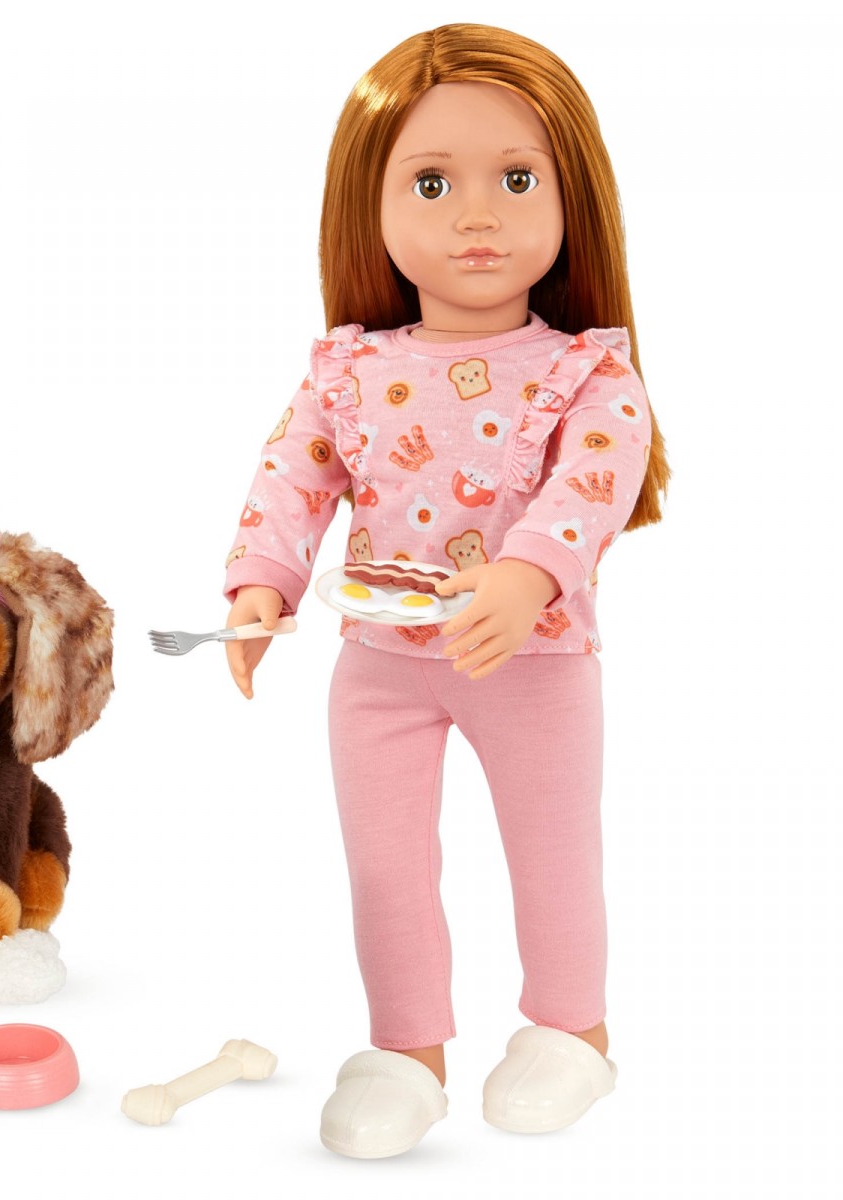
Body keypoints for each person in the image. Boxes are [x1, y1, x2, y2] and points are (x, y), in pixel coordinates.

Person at [219, 24, 668, 1159]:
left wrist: (527, 574)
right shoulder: (351, 369)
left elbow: (598, 476)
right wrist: (262, 583)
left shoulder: (586, 368)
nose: (478, 216)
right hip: (381, 665)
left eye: (516, 180)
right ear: (368, 204)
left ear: (571, 196)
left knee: (551, 855)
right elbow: (292, 475)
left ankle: (572, 1032)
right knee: (386, 868)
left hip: (535, 661)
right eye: (432, 182)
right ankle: (405, 1054)